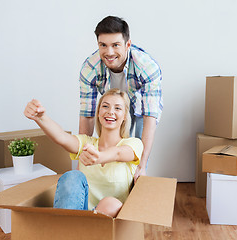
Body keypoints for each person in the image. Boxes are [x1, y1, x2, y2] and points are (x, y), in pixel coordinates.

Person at [24, 88, 143, 217]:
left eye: (117, 108)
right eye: (105, 106)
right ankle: (66, 230)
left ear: (125, 115)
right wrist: (41, 118)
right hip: (79, 216)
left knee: (110, 203)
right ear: (98, 112)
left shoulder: (134, 143)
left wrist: (99, 157)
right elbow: (62, 137)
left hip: (111, 223)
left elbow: (118, 153)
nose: (110, 112)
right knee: (72, 176)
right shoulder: (87, 143)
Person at [78, 16, 162, 181]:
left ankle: (134, 185)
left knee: (135, 150)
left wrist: (142, 166)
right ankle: (112, 183)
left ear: (127, 44)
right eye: (103, 45)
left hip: (139, 107)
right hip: (113, 104)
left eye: (115, 45)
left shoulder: (147, 67)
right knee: (111, 142)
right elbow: (87, 115)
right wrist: (82, 161)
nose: (109, 52)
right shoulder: (89, 68)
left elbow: (149, 119)